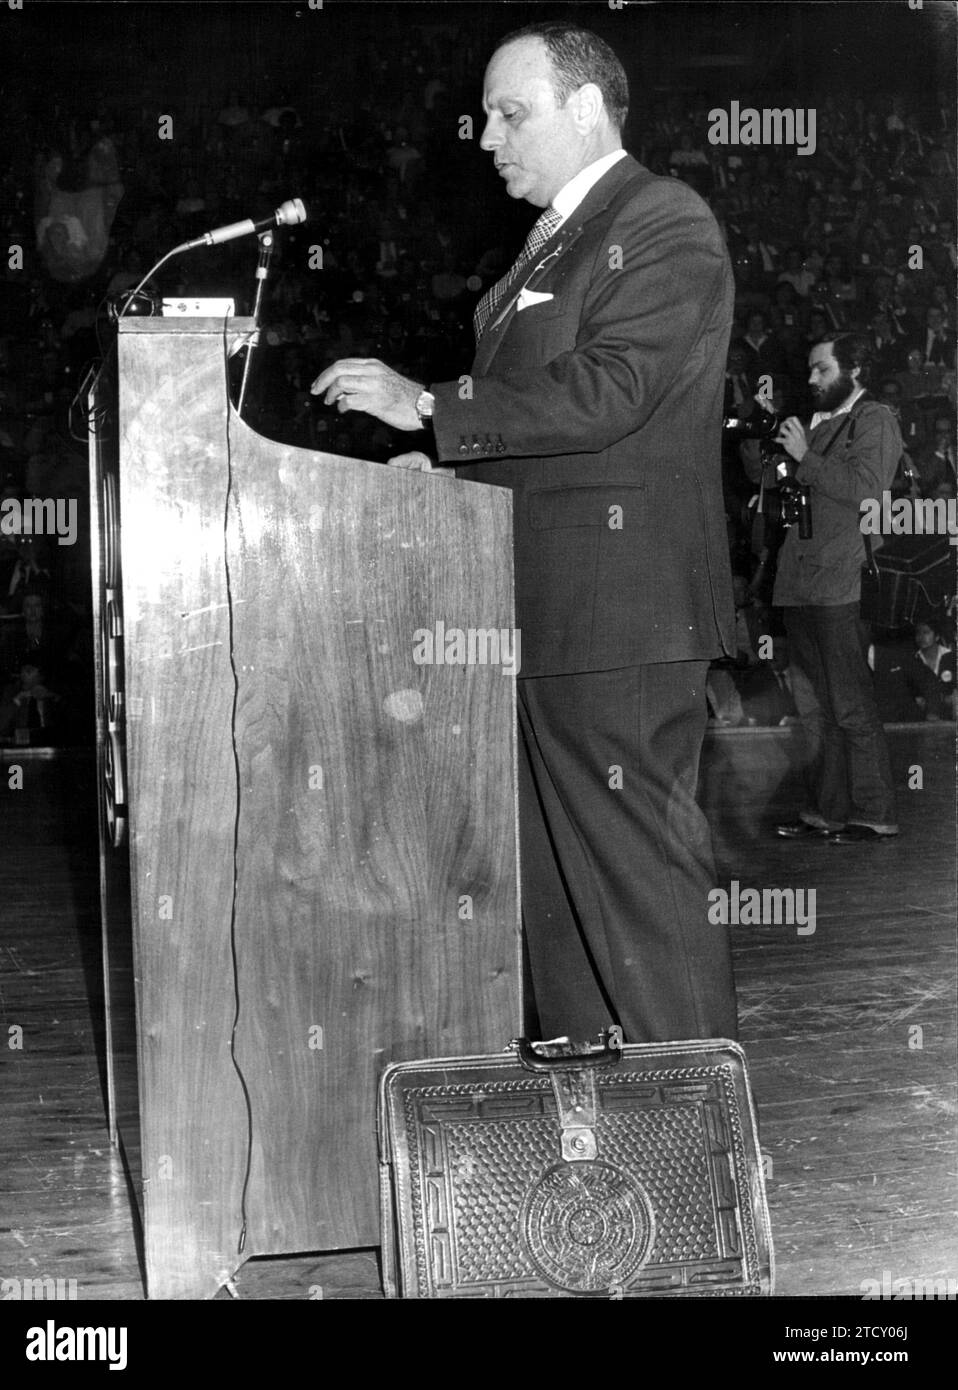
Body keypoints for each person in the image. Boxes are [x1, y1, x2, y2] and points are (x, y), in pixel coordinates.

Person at [311, 21, 738, 1044]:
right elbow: (534, 420)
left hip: (618, 620)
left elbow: (610, 391)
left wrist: (430, 408)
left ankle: (707, 1146)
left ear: (584, 109)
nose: (487, 134)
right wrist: (445, 471)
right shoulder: (551, 241)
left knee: (640, 891)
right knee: (559, 902)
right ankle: (598, 1135)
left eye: (513, 112)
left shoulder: (663, 220)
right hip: (539, 615)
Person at [770, 333, 902, 844]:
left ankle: (874, 810)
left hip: (840, 579)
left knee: (848, 703)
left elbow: (868, 491)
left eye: (821, 370)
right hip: (800, 580)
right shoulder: (818, 423)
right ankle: (828, 810)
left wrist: (806, 456)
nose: (811, 379)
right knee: (813, 706)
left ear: (855, 370)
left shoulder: (874, 419)